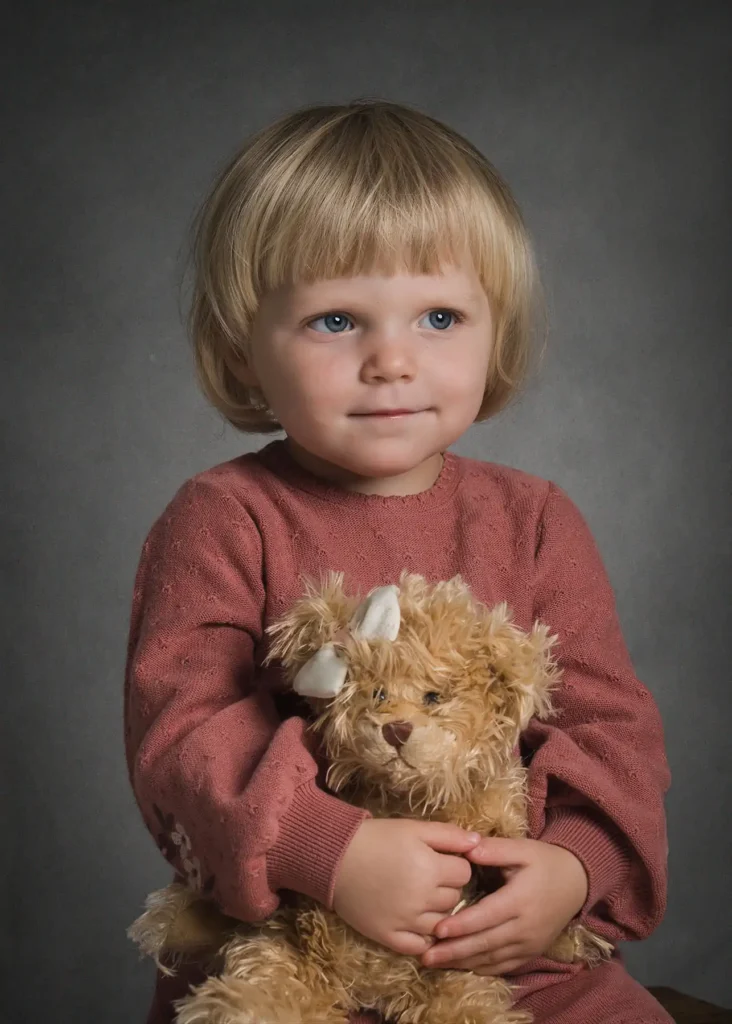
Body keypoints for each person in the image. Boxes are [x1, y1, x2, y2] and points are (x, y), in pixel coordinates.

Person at [124, 99, 673, 1024]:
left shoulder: (534, 519)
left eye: (440, 316)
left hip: (504, 956)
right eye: (337, 320)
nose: (392, 359)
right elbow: (183, 737)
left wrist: (572, 869)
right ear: (241, 349)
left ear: (495, 331)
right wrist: (324, 848)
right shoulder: (222, 520)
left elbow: (611, 730)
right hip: (290, 958)